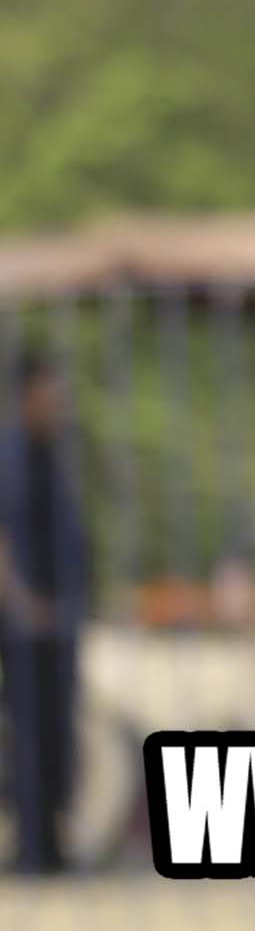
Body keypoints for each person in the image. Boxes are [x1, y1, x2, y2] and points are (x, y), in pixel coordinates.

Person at [0, 358, 83, 877]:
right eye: (51, 396)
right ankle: (31, 849)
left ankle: (51, 847)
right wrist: (22, 603)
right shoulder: (9, 458)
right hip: (25, 625)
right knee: (30, 735)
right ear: (26, 395)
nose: (60, 406)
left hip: (58, 622)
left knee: (58, 734)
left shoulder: (53, 454)